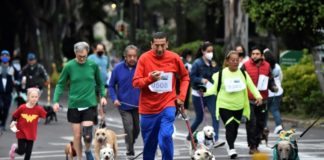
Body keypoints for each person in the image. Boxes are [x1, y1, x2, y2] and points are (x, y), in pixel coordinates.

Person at [132, 32, 190, 160]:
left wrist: (182, 96)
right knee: (149, 145)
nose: (159, 49)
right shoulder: (144, 58)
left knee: (165, 136)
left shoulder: (174, 58)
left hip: (167, 104)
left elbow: (185, 77)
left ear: (167, 44)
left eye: (162, 45)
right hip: (148, 109)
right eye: (156, 45)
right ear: (151, 44)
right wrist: (149, 79)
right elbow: (136, 82)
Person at [52, 42, 107, 160]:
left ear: (87, 53)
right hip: (74, 105)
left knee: (87, 135)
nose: (82, 58)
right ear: (75, 53)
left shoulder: (93, 65)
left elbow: (100, 83)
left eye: (84, 56)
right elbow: (60, 84)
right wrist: (55, 101)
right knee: (77, 135)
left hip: (89, 104)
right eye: (79, 56)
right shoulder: (69, 66)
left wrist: (102, 96)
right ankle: (79, 158)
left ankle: (87, 150)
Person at [204, 50, 262, 158]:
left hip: (239, 107)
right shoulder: (221, 74)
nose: (235, 62)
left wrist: (258, 96)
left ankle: (230, 144)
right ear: (227, 61)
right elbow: (213, 89)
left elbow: (252, 86)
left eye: (237, 60)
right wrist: (204, 91)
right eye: (233, 60)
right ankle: (231, 148)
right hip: (224, 106)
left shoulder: (243, 74)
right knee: (230, 126)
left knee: (234, 129)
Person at [187, 41, 224, 147]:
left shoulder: (214, 63)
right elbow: (191, 78)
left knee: (215, 115)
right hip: (198, 94)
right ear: (203, 51)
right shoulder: (197, 63)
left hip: (211, 93)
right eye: (208, 51)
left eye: (212, 51)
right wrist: (201, 80)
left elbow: (218, 75)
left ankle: (215, 139)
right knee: (199, 118)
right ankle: (190, 135)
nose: (210, 53)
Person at [108, 45, 140, 158]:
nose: (132, 58)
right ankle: (130, 151)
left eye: (134, 56)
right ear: (125, 56)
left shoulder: (141, 67)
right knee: (129, 127)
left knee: (137, 129)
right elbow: (111, 85)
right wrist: (114, 99)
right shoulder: (118, 68)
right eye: (129, 56)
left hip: (138, 105)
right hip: (123, 105)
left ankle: (131, 142)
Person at [242, 46, 273, 154]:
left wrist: (273, 87)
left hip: (263, 100)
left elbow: (271, 80)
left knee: (260, 123)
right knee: (251, 123)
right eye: (253, 53)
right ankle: (252, 146)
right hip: (249, 100)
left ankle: (256, 144)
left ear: (261, 56)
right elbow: (239, 80)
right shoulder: (245, 65)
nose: (254, 55)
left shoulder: (267, 66)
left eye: (257, 54)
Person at [9, 87, 47, 160]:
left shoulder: (38, 109)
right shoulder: (22, 108)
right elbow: (15, 116)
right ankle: (14, 149)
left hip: (31, 134)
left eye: (36, 97)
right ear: (28, 97)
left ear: (38, 98)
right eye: (32, 97)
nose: (34, 98)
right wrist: (12, 122)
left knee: (28, 154)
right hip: (21, 133)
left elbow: (46, 114)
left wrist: (54, 110)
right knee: (21, 151)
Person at [88, 43, 110, 126]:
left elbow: (107, 68)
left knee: (103, 103)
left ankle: (102, 120)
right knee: (94, 103)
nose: (100, 51)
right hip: (93, 85)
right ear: (95, 50)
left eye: (102, 49)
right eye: (98, 49)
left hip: (103, 85)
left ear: (104, 50)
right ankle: (94, 116)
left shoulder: (106, 58)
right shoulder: (91, 58)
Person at [263, 48, 284, 134]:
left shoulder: (265, 67)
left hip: (268, 92)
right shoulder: (277, 66)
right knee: (275, 109)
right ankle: (279, 126)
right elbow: (281, 77)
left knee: (265, 110)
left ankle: (264, 127)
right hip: (278, 91)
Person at [0, 50, 18, 133]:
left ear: (9, 58)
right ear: (0, 57)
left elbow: (19, 77)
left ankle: (3, 124)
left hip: (8, 93)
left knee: (6, 109)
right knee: (0, 106)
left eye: (6, 56)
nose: (5, 57)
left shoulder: (12, 69)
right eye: (3, 55)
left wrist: (17, 82)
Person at [181, 49, 193, 115]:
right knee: (181, 95)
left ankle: (184, 110)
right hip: (179, 83)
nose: (189, 57)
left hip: (187, 82)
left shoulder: (189, 64)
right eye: (188, 55)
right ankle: (180, 110)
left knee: (187, 95)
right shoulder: (180, 60)